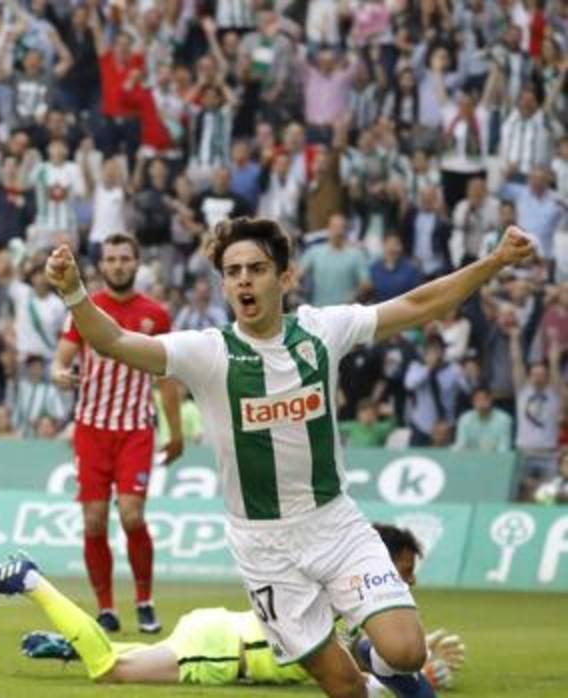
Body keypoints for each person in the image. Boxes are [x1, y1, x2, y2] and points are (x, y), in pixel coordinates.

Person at [43, 216, 534, 698]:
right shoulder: (208, 352)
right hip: (263, 546)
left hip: (334, 524)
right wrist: (74, 293)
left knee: (407, 651)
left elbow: (421, 303)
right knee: (343, 688)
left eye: (255, 268)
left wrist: (495, 261)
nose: (243, 280)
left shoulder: (323, 331)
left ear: (285, 277)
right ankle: (370, 676)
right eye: (232, 272)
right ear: (223, 285)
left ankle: (378, 662)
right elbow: (113, 342)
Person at [0, 524, 466, 693]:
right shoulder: (343, 594)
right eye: (403, 568)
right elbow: (361, 673)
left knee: (118, 657)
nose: (409, 580)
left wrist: (412, 665)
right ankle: (29, 579)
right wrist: (418, 673)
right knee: (111, 671)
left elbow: (359, 662)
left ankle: (69, 644)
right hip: (221, 652)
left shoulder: (336, 597)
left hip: (221, 632)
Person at [50, 233, 182, 635]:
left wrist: (174, 432)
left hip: (135, 429)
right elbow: (61, 360)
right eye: (111, 259)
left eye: (125, 258)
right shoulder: (84, 308)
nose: (119, 265)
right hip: (91, 428)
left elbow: (166, 377)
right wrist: (59, 375)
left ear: (137, 263)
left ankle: (144, 600)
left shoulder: (155, 314)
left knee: (131, 514)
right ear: (101, 265)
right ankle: (106, 608)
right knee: (93, 520)